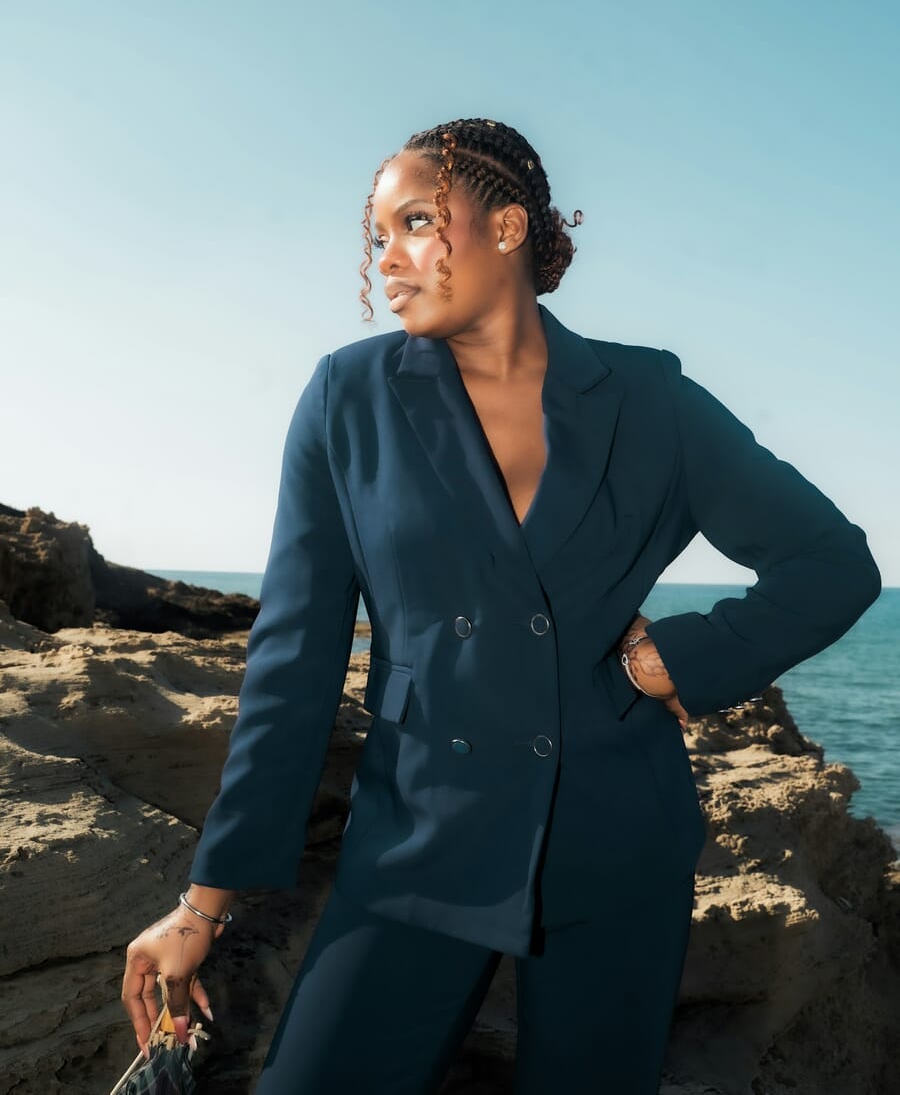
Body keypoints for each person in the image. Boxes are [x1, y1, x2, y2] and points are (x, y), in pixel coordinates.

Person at [120, 117, 882, 1093]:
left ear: (508, 226)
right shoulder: (348, 400)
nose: (385, 259)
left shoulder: (650, 400)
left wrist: (684, 657)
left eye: (415, 224)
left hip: (613, 849)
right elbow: (291, 665)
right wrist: (204, 904)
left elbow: (832, 563)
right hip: (412, 841)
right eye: (375, 238)